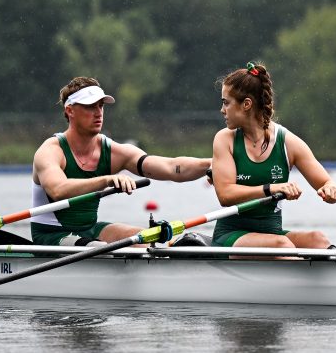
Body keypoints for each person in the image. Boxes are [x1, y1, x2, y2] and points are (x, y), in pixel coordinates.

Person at [30, 76, 211, 245]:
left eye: (100, 106)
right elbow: (58, 189)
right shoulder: (51, 151)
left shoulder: (113, 151)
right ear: (70, 111)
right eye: (90, 106)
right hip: (52, 236)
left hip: (89, 230)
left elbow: (171, 168)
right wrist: (106, 180)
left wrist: (212, 164)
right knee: (95, 248)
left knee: (149, 239)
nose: (98, 113)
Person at [210, 61, 336, 249]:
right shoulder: (225, 140)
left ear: (246, 104)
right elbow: (225, 195)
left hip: (271, 233)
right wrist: (270, 188)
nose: (222, 110)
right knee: (282, 245)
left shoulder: (289, 143)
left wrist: (331, 189)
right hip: (232, 234)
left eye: (226, 103)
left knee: (318, 239)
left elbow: (326, 182)